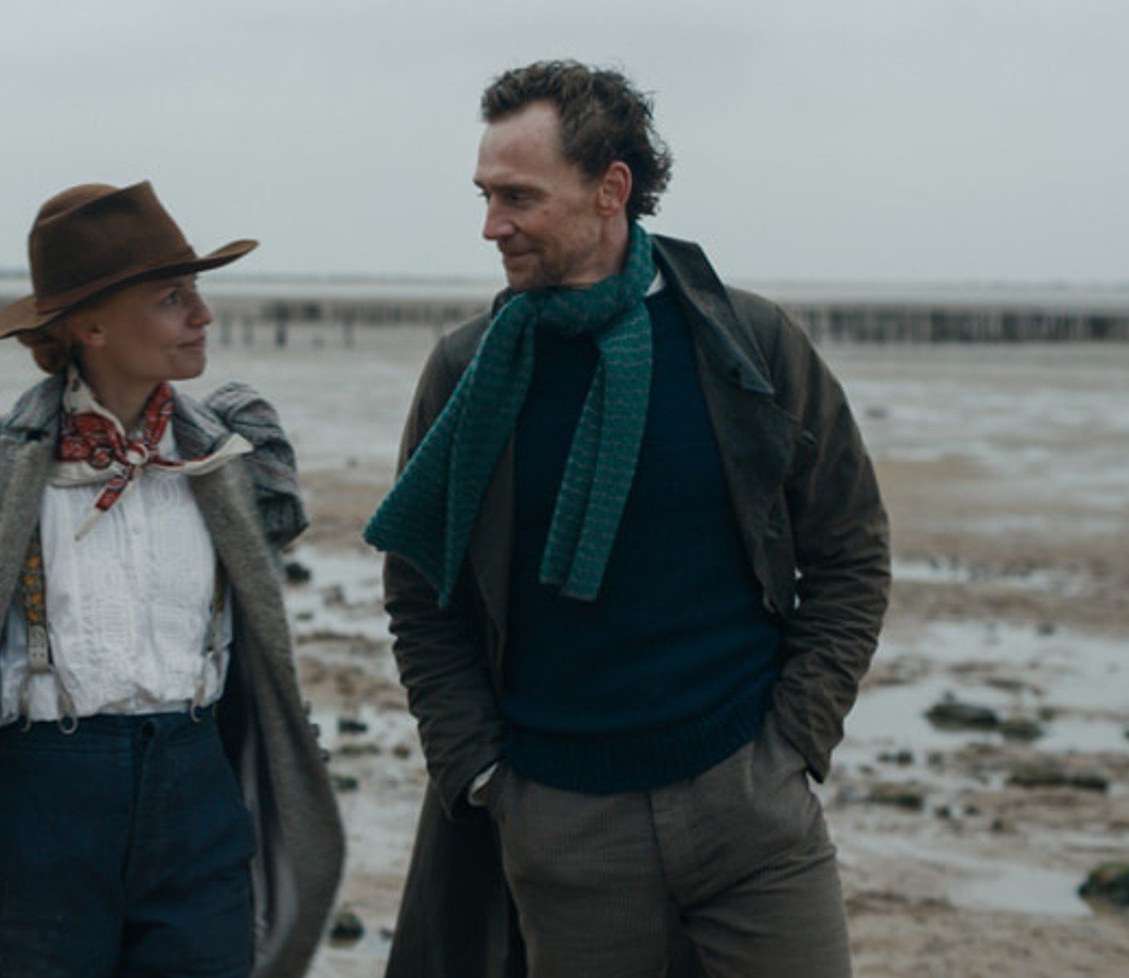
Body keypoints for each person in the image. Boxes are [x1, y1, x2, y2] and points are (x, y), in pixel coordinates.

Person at [364, 61, 890, 977]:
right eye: (486, 196)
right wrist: (483, 774)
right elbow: (421, 595)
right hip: (563, 828)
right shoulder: (467, 373)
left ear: (611, 190)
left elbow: (850, 551)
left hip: (751, 808)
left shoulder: (748, 345)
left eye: (519, 197)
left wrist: (795, 740)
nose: (492, 225)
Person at [0, 180, 344, 978]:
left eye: (195, 292)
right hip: (44, 807)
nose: (203, 316)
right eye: (171, 297)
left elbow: (262, 659)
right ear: (89, 326)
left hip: (199, 793)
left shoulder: (225, 461)